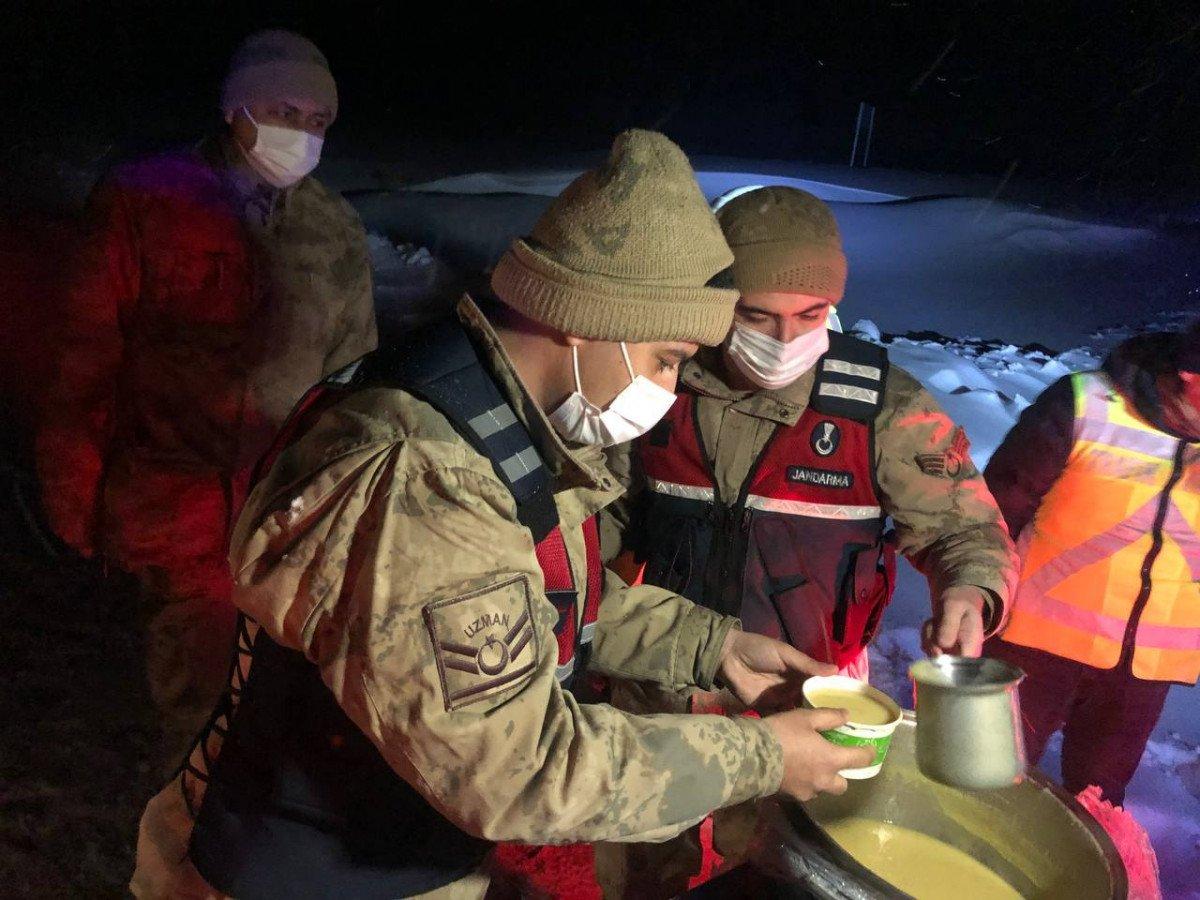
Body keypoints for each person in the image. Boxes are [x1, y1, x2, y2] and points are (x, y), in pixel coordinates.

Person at [128, 130, 877, 900]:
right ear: (588, 318)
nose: (669, 387)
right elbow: (520, 770)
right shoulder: (431, 481)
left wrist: (713, 648)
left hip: (384, 853)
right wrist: (762, 759)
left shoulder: (497, 415)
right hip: (307, 877)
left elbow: (522, 600)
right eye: (667, 357)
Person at [596, 186, 1020, 898]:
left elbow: (964, 525)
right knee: (644, 860)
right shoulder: (658, 385)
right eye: (756, 314)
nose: (784, 339)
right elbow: (598, 520)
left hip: (808, 692)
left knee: (776, 868)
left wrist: (970, 590)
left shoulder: (878, 407)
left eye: (810, 315)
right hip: (660, 684)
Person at [35, 29, 377, 764]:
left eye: (318, 121)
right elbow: (84, 357)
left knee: (285, 700)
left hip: (287, 514)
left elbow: (352, 383)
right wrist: (75, 493)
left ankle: (238, 815)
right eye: (284, 112)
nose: (303, 134)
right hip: (175, 504)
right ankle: (192, 820)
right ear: (235, 109)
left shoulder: (333, 231)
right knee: (199, 704)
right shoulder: (148, 201)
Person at [984, 322, 1200, 806]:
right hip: (1034, 643)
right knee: (988, 781)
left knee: (1098, 802)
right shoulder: (1087, 404)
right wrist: (976, 598)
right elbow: (994, 511)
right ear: (1189, 373)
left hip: (1144, 669)